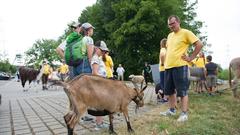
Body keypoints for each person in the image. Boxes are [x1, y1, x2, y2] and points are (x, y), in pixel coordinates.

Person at [160, 15, 203, 122]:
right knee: (169, 91)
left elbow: (199, 44)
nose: (171, 26)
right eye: (169, 24)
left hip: (180, 66)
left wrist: (191, 57)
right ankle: (171, 110)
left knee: (182, 91)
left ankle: (184, 114)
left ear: (178, 22)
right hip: (168, 67)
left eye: (173, 23)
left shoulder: (186, 32)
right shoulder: (169, 36)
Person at [91, 40, 109, 130]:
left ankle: (100, 122)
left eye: (104, 51)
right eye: (102, 50)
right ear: (96, 48)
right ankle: (98, 124)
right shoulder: (95, 58)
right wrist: (104, 78)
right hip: (98, 84)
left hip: (101, 83)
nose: (103, 52)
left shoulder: (98, 58)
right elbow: (94, 73)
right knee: (99, 105)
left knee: (101, 104)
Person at [158, 38, 168, 103]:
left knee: (163, 84)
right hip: (165, 68)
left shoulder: (162, 49)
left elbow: (162, 55)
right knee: (165, 83)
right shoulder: (166, 50)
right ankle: (166, 97)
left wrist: (162, 63)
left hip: (163, 69)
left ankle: (165, 98)